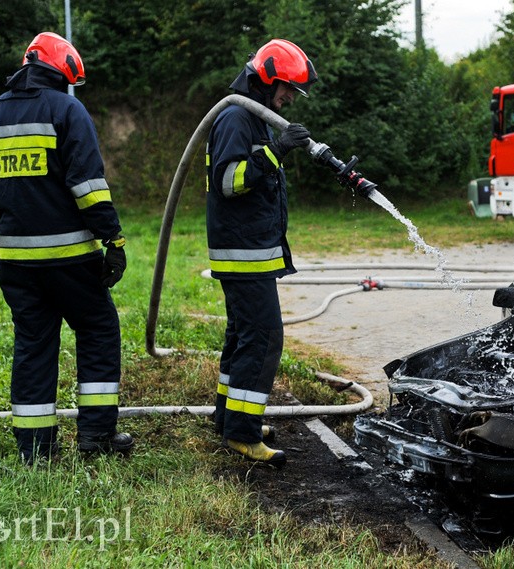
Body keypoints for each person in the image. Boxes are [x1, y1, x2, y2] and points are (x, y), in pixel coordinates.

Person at [0, 32, 133, 465]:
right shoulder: (67, 110)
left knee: (33, 346)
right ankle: (96, 437)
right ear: (62, 72)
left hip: (17, 265)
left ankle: (35, 452)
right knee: (98, 331)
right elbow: (88, 187)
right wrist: (114, 240)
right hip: (72, 261)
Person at [206, 39, 317, 467]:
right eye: (287, 88)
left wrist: (275, 146)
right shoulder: (236, 117)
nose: (290, 97)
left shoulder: (252, 116)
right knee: (265, 337)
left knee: (242, 336)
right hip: (243, 251)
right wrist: (279, 149)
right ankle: (243, 434)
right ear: (266, 78)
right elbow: (230, 182)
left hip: (248, 249)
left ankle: (228, 418)